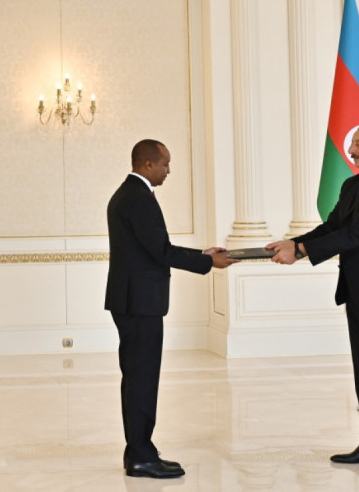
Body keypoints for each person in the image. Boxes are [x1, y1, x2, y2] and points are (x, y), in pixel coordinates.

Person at [267, 124, 359, 476]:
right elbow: (333, 227)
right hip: (358, 288)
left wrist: (301, 250)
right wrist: (294, 243)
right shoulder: (353, 185)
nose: (351, 150)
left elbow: (358, 234)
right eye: (352, 144)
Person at [105, 139, 238, 479]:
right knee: (142, 378)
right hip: (139, 303)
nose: (168, 170)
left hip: (135, 301)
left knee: (138, 376)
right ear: (148, 164)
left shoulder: (131, 194)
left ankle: (139, 450)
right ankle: (141, 455)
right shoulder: (137, 198)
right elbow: (161, 252)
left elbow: (156, 248)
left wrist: (202, 255)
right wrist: (207, 263)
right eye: (165, 164)